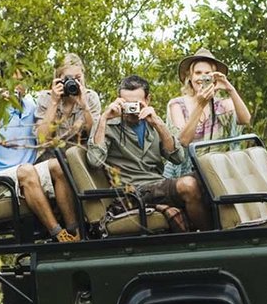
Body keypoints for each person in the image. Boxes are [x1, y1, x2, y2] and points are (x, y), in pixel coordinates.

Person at [86, 74, 212, 231]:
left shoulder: (153, 122)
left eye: (137, 103)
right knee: (188, 184)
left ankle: (227, 229)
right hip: (130, 192)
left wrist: (158, 123)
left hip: (157, 185)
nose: (132, 110)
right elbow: (94, 160)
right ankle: (207, 239)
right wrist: (104, 118)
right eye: (127, 104)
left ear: (148, 100)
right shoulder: (106, 125)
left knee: (207, 177)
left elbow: (178, 157)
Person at [0, 69, 78, 241]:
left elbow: (44, 138)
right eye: (14, 79)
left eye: (23, 79)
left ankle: (74, 231)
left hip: (23, 176)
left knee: (58, 166)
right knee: (27, 171)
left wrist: (56, 101)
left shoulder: (30, 105)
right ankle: (58, 234)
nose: (19, 83)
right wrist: (0, 113)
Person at [164, 47, 252, 178]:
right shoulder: (177, 104)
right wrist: (201, 104)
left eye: (207, 74)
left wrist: (230, 89)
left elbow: (245, 119)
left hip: (215, 170)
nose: (202, 78)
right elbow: (183, 141)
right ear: (190, 77)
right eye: (198, 73)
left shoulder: (222, 104)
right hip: (185, 173)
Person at [35, 52, 103, 153]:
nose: (73, 83)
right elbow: (41, 140)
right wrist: (54, 103)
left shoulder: (91, 98)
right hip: (52, 155)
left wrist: (85, 107)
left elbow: (94, 140)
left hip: (79, 154)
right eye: (68, 79)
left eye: (78, 78)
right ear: (58, 79)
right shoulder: (46, 98)